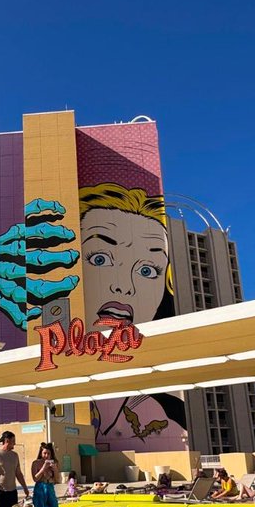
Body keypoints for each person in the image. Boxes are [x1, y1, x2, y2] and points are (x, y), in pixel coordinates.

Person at [80, 183, 187, 452]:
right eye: (101, 259)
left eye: (148, 271)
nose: (124, 287)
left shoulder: (167, 418)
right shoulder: (53, 396)